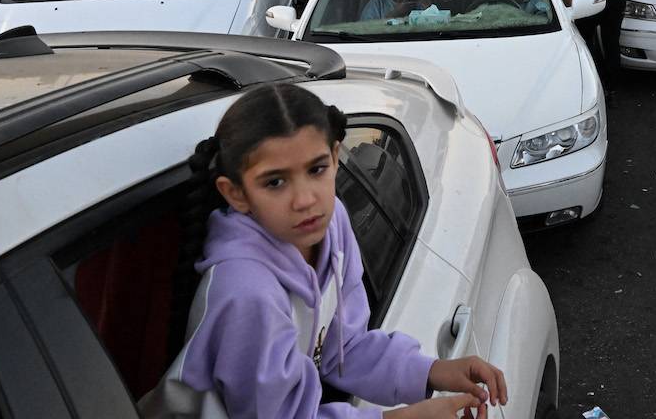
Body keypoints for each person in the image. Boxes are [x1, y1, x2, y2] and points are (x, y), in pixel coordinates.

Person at [140, 83, 505, 419]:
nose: (305, 199)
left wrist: (433, 372)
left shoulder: (331, 226)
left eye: (316, 169)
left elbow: (342, 347)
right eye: (276, 182)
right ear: (236, 194)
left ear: (334, 157)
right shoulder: (245, 291)